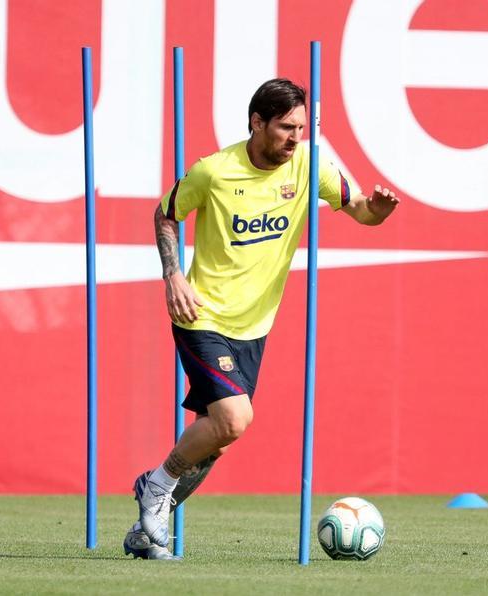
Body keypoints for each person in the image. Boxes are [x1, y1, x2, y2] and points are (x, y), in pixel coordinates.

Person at [123, 78, 399, 560]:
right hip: (201, 313)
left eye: (301, 128)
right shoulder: (213, 171)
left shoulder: (311, 166)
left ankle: (148, 530)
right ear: (257, 122)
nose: (296, 138)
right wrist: (173, 275)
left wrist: (376, 211)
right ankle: (156, 483)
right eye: (285, 128)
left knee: (214, 441)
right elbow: (166, 214)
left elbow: (359, 210)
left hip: (255, 327)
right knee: (233, 419)